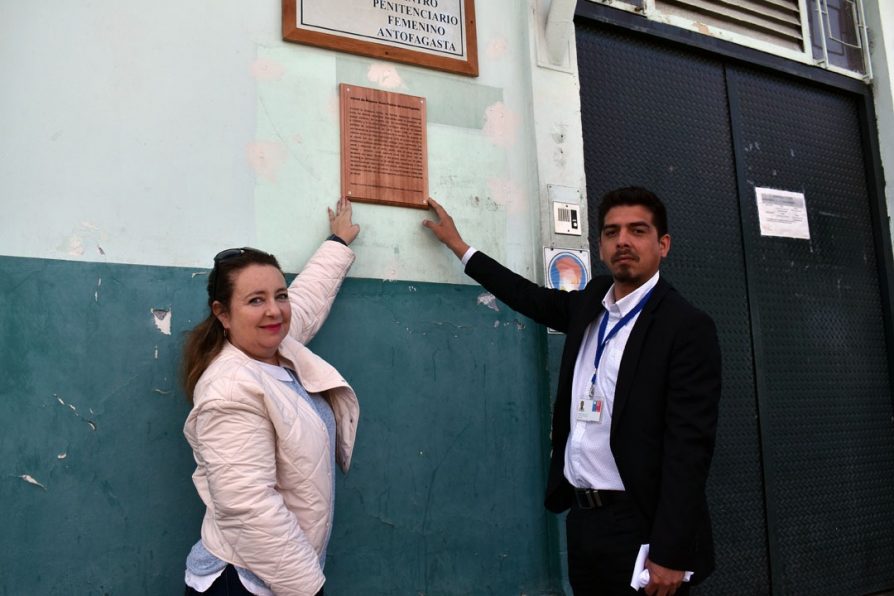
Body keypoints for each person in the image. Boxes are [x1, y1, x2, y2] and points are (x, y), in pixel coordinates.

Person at [422, 187, 721, 596]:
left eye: (638, 230)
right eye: (612, 232)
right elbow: (528, 296)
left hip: (642, 528)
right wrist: (460, 247)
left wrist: (671, 550)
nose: (624, 242)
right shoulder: (590, 304)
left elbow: (690, 450)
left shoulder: (685, 327)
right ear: (600, 245)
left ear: (663, 244)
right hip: (584, 523)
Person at [180, 197, 361, 596]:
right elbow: (249, 509)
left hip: (275, 576)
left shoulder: (277, 348)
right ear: (223, 313)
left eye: (279, 295)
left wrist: (337, 242)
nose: (275, 311)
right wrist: (308, 589)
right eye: (255, 300)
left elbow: (307, 302)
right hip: (244, 582)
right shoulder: (228, 389)